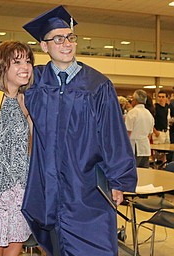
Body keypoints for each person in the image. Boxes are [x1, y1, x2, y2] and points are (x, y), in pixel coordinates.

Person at [22, 6, 137, 256]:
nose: (66, 44)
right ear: (44, 46)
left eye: (71, 37)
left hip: (86, 190)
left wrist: (119, 180)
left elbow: (113, 136)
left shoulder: (97, 85)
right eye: (58, 39)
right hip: (48, 190)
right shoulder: (35, 82)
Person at [0, 41, 34, 256]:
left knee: (14, 250)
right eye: (18, 62)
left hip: (20, 189)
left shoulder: (27, 101)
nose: (26, 67)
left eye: (29, 61)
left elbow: (31, 144)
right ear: (2, 66)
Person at [125, 90, 154, 168]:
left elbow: (128, 132)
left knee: (133, 172)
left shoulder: (132, 113)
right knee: (144, 173)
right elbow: (150, 134)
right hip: (145, 148)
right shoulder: (149, 114)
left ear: (135, 100)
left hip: (134, 148)